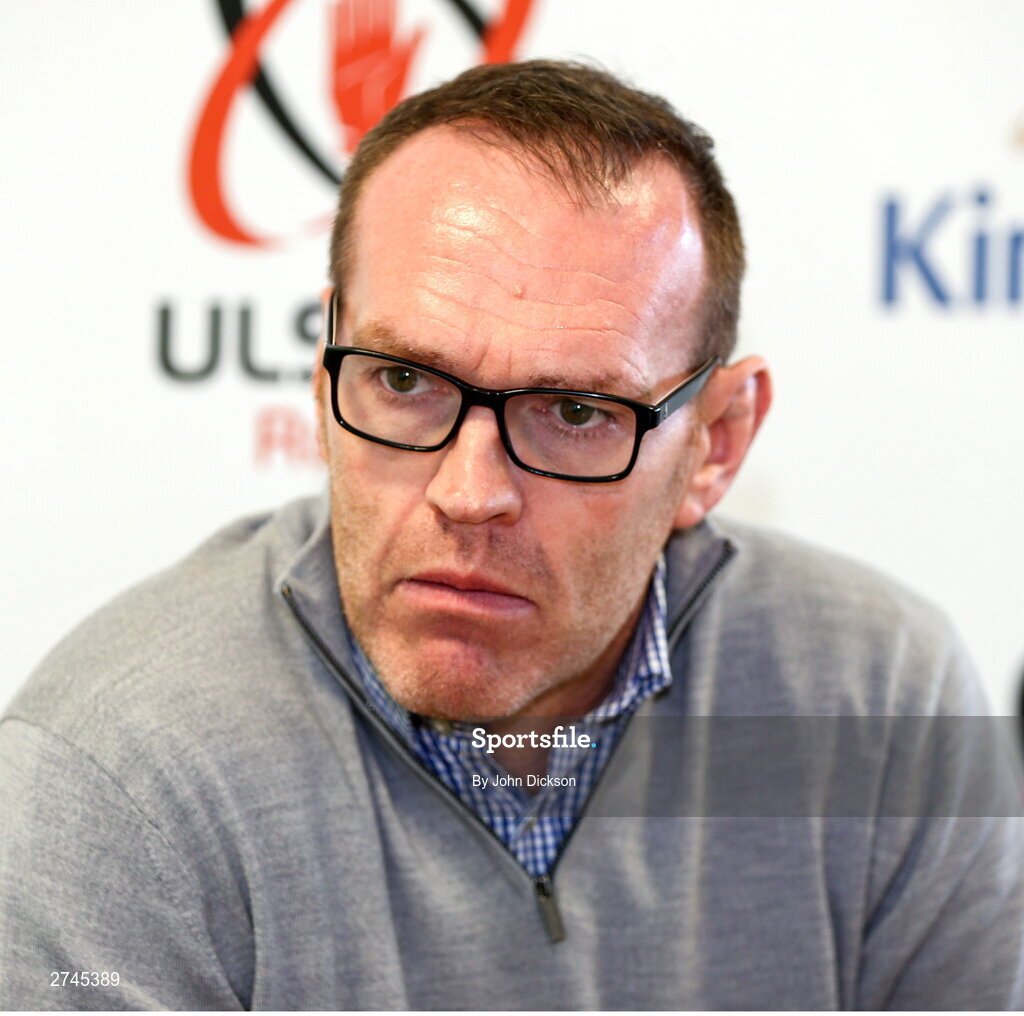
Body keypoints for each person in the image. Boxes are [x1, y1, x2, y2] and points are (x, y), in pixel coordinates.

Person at [1, 60, 1022, 1011]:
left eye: (575, 411)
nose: (469, 493)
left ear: (715, 444)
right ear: (322, 376)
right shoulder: (116, 781)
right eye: (404, 380)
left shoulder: (884, 706)